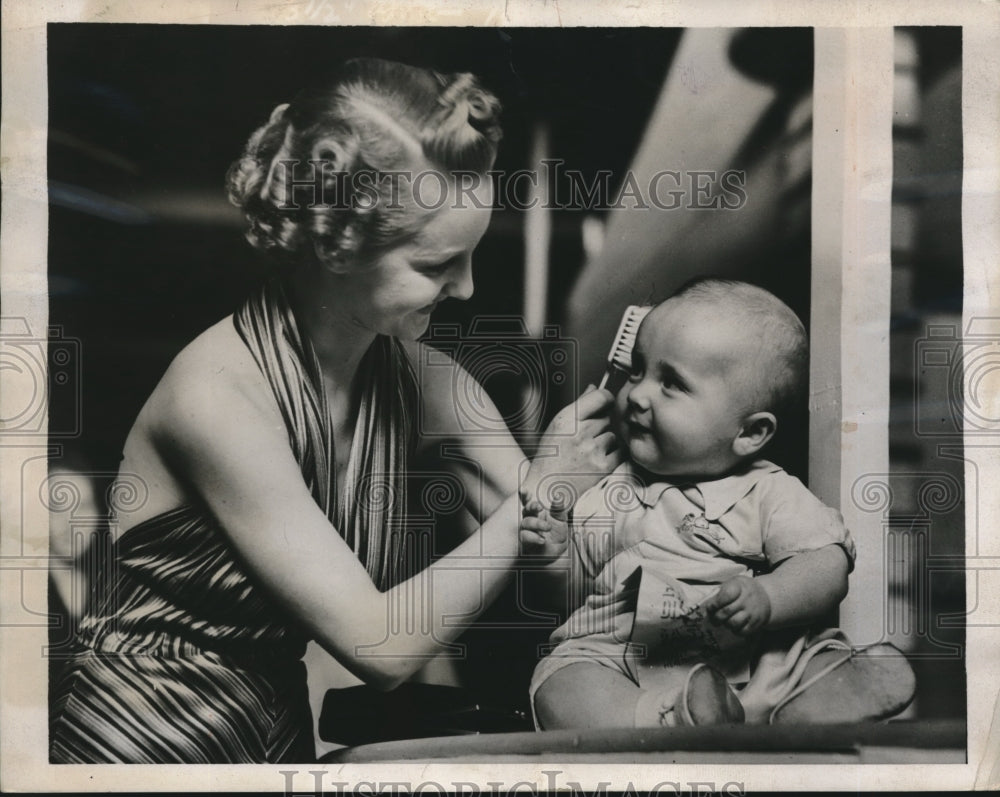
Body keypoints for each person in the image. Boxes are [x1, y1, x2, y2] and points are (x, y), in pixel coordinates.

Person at [48, 57, 621, 763]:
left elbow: (569, 583)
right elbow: (380, 645)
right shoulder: (217, 396)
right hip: (140, 747)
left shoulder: (433, 383)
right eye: (437, 265)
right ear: (340, 241)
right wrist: (545, 490)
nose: (468, 289)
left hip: (275, 738)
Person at [522, 279, 914, 729]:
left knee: (804, 653)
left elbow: (826, 565)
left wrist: (768, 597)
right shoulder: (607, 489)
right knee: (561, 679)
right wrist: (554, 556)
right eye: (637, 370)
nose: (639, 395)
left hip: (747, 660)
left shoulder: (767, 491)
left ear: (749, 433)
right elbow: (577, 593)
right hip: (623, 654)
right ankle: (670, 717)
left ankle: (817, 694)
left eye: (671, 383)